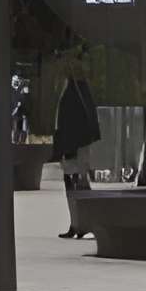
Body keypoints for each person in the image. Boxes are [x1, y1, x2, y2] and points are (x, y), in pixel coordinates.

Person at [51, 73, 102, 239]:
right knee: (74, 184)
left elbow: (73, 123)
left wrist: (68, 148)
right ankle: (77, 223)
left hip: (75, 147)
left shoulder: (75, 90)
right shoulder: (74, 89)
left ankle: (82, 223)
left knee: (77, 183)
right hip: (74, 146)